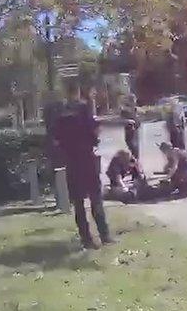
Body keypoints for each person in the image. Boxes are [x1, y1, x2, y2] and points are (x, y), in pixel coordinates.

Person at [52, 81, 112, 249]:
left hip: (71, 161)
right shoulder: (83, 108)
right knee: (95, 197)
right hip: (86, 157)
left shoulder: (60, 113)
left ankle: (86, 239)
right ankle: (104, 235)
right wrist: (95, 139)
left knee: (78, 202)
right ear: (78, 92)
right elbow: (93, 130)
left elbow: (56, 139)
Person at [120, 94, 141, 161]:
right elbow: (122, 120)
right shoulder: (124, 110)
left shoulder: (135, 109)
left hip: (135, 131)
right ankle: (134, 163)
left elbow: (138, 120)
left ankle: (136, 164)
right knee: (132, 147)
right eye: (132, 101)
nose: (134, 102)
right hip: (129, 131)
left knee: (136, 150)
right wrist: (128, 121)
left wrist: (137, 121)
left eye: (134, 101)